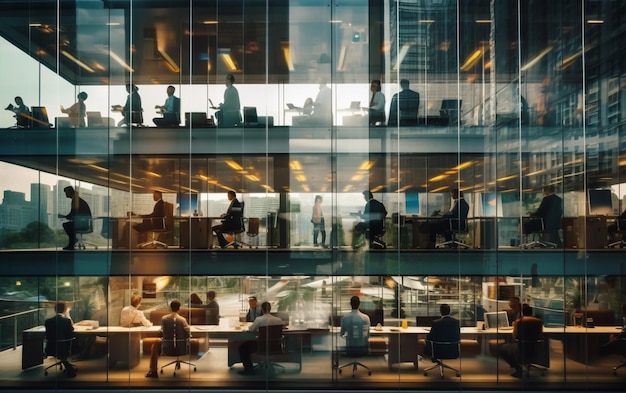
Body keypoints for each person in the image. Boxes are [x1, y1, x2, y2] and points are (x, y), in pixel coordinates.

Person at [145, 299, 190, 378]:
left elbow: (163, 331)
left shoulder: (164, 319)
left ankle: (153, 371)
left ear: (170, 308)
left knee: (155, 345)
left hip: (167, 348)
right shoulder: (182, 320)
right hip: (181, 348)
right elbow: (188, 333)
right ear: (179, 308)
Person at [237, 301, 284, 375]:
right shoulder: (279, 320)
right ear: (270, 309)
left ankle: (249, 369)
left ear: (262, 309)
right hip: (275, 346)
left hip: (262, 346)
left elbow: (251, 330)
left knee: (243, 347)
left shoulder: (259, 319)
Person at [498, 303, 543, 378]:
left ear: (522, 312)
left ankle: (518, 369)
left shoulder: (518, 322)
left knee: (503, 348)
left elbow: (514, 337)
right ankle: (525, 364)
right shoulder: (539, 321)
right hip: (536, 348)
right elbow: (540, 336)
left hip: (521, 348)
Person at [44, 302, 77, 378]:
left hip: (51, 346)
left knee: (61, 349)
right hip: (64, 347)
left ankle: (68, 367)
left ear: (55, 310)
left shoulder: (48, 321)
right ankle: (69, 368)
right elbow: (71, 332)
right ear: (65, 310)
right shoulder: (67, 321)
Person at [58, 186, 92, 251]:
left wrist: (64, 216)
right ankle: (73, 240)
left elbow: (73, 213)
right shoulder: (77, 199)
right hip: (83, 222)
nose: (66, 194)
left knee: (66, 225)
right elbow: (74, 213)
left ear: (69, 192)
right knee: (68, 225)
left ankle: (73, 241)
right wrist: (66, 216)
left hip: (82, 223)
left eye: (66, 192)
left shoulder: (75, 200)